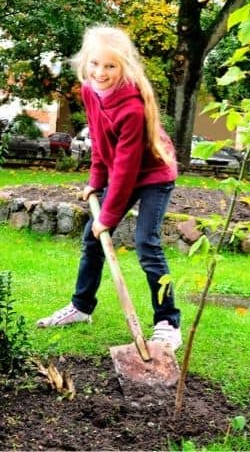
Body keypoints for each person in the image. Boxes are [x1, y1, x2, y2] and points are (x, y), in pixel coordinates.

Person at [37, 25, 182, 350]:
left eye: (110, 66)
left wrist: (109, 215)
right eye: (95, 64)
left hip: (155, 174)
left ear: (124, 66)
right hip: (123, 171)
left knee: (147, 244)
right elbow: (102, 145)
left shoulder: (132, 107)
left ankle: (168, 322)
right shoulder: (90, 91)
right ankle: (81, 307)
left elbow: (128, 167)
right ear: (85, 63)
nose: (101, 72)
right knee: (92, 236)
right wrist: (95, 182)